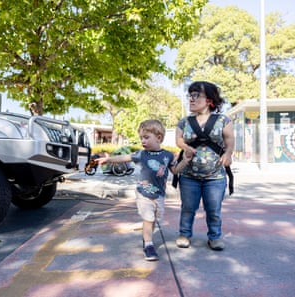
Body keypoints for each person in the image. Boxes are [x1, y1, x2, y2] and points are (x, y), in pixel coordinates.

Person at [96, 119, 192, 261]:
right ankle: (148, 245)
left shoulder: (168, 155)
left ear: (158, 138)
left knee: (154, 220)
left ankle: (147, 238)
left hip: (159, 195)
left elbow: (175, 170)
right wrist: (109, 160)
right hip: (143, 193)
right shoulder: (142, 154)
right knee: (148, 218)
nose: (143, 141)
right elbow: (125, 157)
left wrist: (185, 161)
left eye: (146, 137)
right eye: (141, 138)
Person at [175, 81, 235, 251]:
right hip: (189, 175)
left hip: (215, 176)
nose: (191, 99)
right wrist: (185, 147)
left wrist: (228, 154)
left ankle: (214, 237)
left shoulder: (223, 120)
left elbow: (230, 141)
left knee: (213, 209)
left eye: (196, 95)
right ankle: (184, 234)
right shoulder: (184, 121)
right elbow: (178, 140)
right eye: (190, 95)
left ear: (209, 100)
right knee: (188, 208)